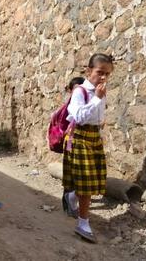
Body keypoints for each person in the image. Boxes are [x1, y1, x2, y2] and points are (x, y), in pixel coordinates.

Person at [62, 53, 113, 243]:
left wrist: (100, 122)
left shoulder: (100, 91)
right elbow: (80, 117)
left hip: (94, 138)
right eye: (100, 72)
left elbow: (95, 115)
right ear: (88, 70)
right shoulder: (80, 91)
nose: (103, 77)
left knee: (92, 180)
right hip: (80, 138)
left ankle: (71, 196)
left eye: (107, 74)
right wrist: (97, 99)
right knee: (87, 182)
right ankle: (83, 223)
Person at [61, 76, 85, 215]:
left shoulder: (83, 99)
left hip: (80, 140)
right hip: (71, 140)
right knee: (71, 175)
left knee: (75, 174)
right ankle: (68, 204)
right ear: (71, 90)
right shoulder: (72, 104)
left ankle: (72, 203)